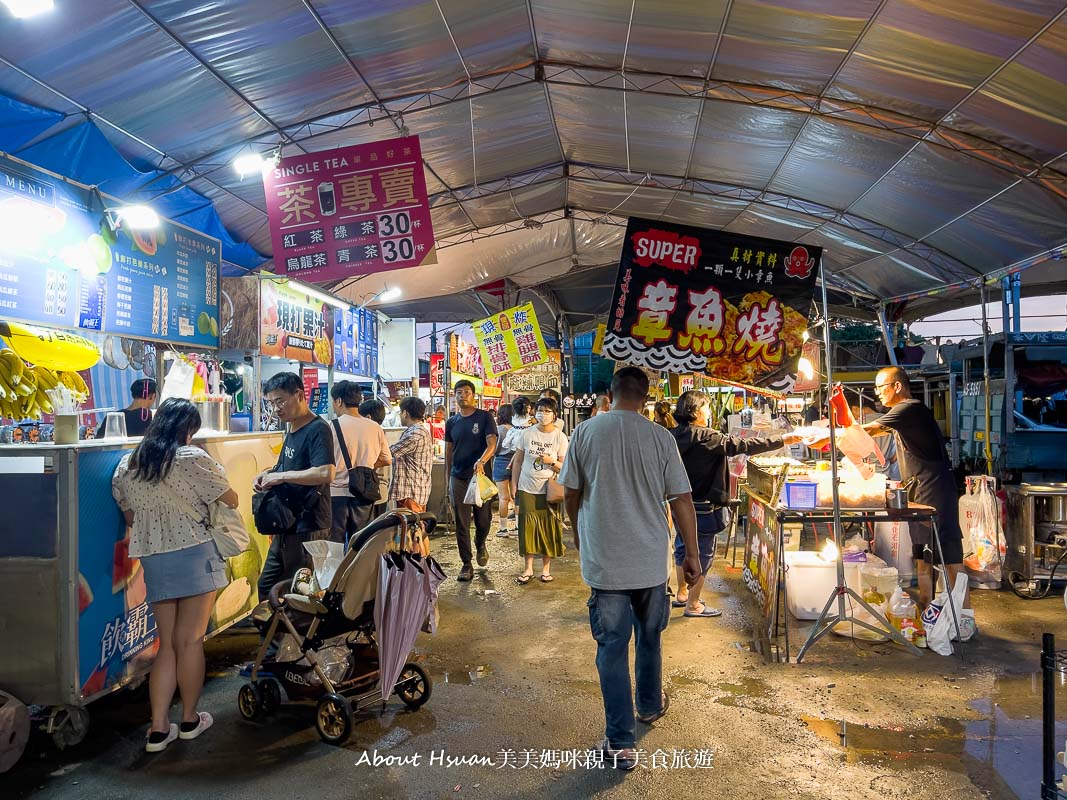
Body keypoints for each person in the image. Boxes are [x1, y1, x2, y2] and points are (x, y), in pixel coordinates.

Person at [558, 367, 700, 770]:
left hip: (606, 563)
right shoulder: (661, 437)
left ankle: (621, 743)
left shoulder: (586, 433)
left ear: (610, 393)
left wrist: (578, 528)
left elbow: (571, 492)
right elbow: (682, 500)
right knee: (651, 637)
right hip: (652, 563)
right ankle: (650, 706)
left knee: (612, 648)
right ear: (647, 395)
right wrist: (691, 554)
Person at [111, 398, 239, 753]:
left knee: (166, 644)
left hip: (154, 559)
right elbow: (231, 498)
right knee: (190, 641)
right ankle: (189, 720)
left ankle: (156, 729)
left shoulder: (128, 465)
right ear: (188, 429)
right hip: (195, 553)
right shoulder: (192, 458)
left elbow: (132, 518)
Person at [862, 367, 973, 638]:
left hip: (937, 490)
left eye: (881, 387)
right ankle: (926, 608)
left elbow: (870, 430)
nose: (878, 393)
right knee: (922, 553)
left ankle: (965, 616)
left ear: (897, 386)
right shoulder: (902, 415)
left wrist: (835, 432)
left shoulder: (910, 409)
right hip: (919, 490)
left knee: (949, 553)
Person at [670, 391, 802, 617]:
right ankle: (693, 604)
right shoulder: (708, 437)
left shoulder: (670, 436)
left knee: (682, 547)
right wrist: (783, 439)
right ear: (696, 411)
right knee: (702, 554)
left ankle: (682, 593)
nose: (709, 412)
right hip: (705, 508)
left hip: (678, 505)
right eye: (706, 408)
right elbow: (745, 445)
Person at [254, 373, 335, 600]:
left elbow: (326, 472)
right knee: (267, 585)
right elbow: (287, 467)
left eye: (280, 401)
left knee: (299, 591)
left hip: (309, 524)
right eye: (271, 403)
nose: (276, 408)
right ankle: (276, 635)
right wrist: (267, 475)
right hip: (288, 524)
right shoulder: (292, 429)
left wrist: (281, 477)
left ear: (299, 395)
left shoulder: (318, 429)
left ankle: (298, 635)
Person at [445, 379, 499, 582]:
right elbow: (449, 450)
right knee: (461, 521)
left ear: (473, 395)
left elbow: (492, 443)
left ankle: (481, 541)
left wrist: (482, 461)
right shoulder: (452, 422)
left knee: (483, 520)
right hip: (458, 478)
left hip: (481, 477)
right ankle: (466, 564)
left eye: (466, 391)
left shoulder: (484, 417)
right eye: (458, 392)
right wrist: (449, 476)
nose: (462, 395)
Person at [511, 397, 569, 584]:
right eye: (540, 410)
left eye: (546, 411)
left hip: (550, 489)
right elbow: (518, 460)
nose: (542, 414)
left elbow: (565, 467)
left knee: (549, 527)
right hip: (527, 487)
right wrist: (514, 484)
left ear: (555, 415)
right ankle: (528, 569)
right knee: (527, 528)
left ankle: (546, 569)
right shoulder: (526, 434)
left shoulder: (560, 437)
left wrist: (551, 462)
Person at [329, 381, 391, 545]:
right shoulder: (374, 427)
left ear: (339, 401)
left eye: (333, 402)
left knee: (334, 546)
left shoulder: (331, 427)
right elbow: (386, 459)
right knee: (360, 545)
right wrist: (366, 466)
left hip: (336, 495)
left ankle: (336, 572)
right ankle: (358, 571)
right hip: (363, 492)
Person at [389, 396, 434, 513]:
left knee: (411, 528)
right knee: (414, 526)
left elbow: (390, 452)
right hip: (416, 490)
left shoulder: (415, 434)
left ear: (405, 413)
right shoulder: (419, 431)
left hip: (411, 492)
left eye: (400, 412)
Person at [492, 403, 517, 538]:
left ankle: (503, 528)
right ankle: (518, 526)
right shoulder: (517, 429)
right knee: (515, 496)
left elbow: (493, 449)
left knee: (503, 497)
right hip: (515, 463)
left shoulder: (498, 429)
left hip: (500, 462)